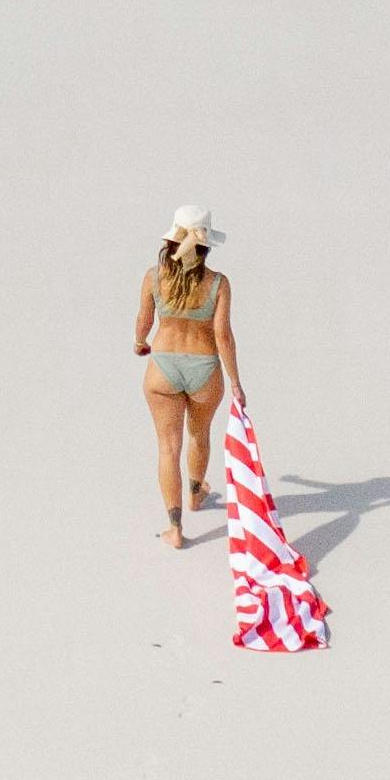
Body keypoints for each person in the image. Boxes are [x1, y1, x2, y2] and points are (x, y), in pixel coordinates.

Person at [135, 207, 240, 548]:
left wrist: (140, 343)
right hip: (204, 368)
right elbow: (223, 335)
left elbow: (143, 320)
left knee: (168, 448)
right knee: (199, 434)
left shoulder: (153, 277)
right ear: (207, 245)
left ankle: (175, 528)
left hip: (162, 368)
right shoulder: (218, 283)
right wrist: (236, 383)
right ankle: (196, 493)